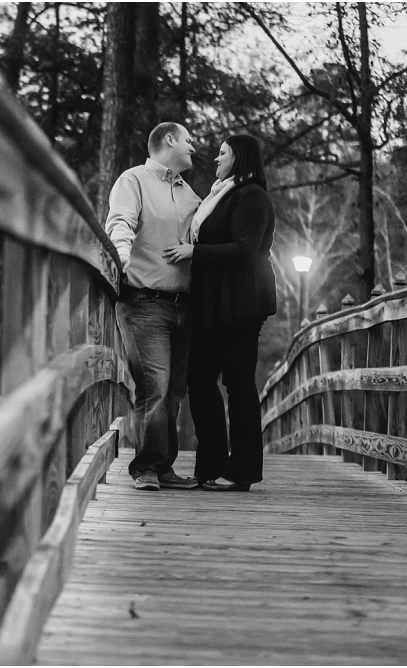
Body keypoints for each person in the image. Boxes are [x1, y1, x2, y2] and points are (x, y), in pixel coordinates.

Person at [162, 134, 277, 491]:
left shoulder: (252, 196)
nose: (216, 158)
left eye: (223, 154)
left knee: (239, 383)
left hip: (241, 302)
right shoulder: (220, 195)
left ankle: (241, 470)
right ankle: (210, 465)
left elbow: (245, 250)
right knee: (199, 379)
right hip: (212, 302)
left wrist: (193, 253)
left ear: (239, 159)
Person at [105, 122, 201, 491]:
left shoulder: (191, 194)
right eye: (188, 140)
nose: (194, 147)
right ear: (169, 140)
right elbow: (121, 221)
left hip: (185, 305)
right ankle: (145, 467)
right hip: (144, 302)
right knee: (155, 387)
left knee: (175, 390)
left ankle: (163, 467)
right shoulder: (133, 180)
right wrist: (121, 255)